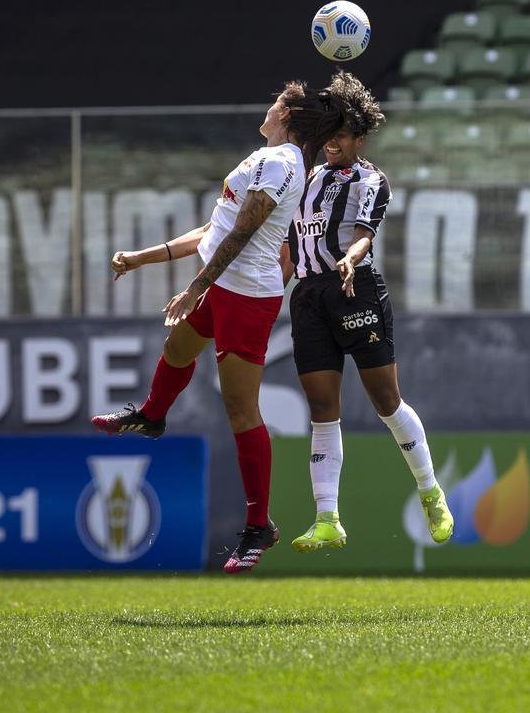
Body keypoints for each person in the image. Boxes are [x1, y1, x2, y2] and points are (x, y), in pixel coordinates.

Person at [89, 81, 344, 574]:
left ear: (287, 113)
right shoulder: (261, 158)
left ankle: (258, 526)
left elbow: (246, 233)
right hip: (224, 285)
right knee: (180, 345)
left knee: (239, 407)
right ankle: (152, 415)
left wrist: (195, 288)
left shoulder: (282, 163)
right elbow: (216, 229)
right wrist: (142, 259)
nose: (267, 106)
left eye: (275, 102)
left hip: (246, 296)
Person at [279, 70, 454, 553]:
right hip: (309, 297)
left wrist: (351, 261)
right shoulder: (307, 177)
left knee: (385, 401)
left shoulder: (370, 179)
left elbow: (362, 234)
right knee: (321, 408)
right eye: (328, 133)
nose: (333, 142)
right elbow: (290, 249)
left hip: (354, 289)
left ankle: (430, 491)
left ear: (359, 136)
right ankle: (327, 518)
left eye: (342, 135)